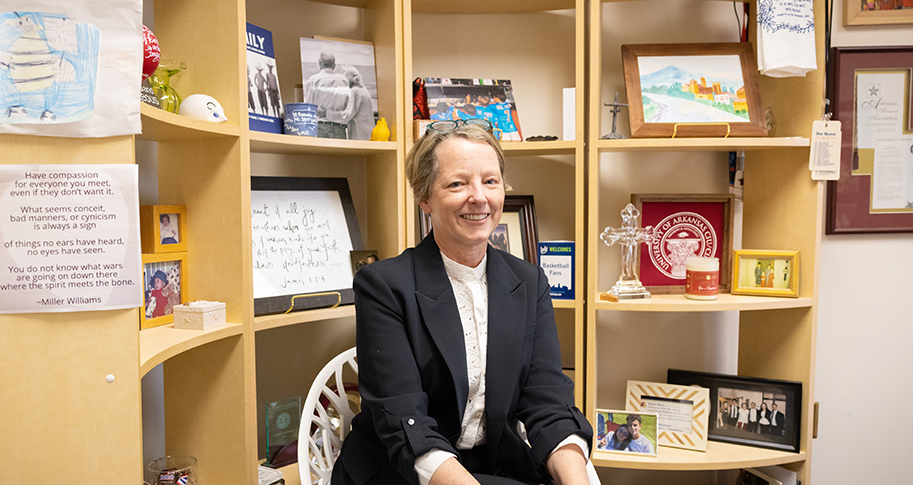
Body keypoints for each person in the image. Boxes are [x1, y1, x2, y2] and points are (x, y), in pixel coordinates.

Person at [331, 122, 593, 485]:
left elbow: (547, 401)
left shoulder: (529, 282)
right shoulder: (383, 286)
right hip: (403, 469)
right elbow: (404, 419)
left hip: (495, 464)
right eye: (457, 183)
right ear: (424, 197)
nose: (479, 197)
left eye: (490, 181)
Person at [303, 51, 350, 139]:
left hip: (320, 128)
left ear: (320, 63)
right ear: (334, 65)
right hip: (340, 129)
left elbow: (309, 108)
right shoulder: (344, 80)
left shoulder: (313, 80)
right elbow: (348, 108)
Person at [322, 65, 374, 140]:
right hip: (367, 134)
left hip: (359, 136)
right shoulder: (363, 90)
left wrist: (327, 114)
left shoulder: (354, 91)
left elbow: (347, 115)